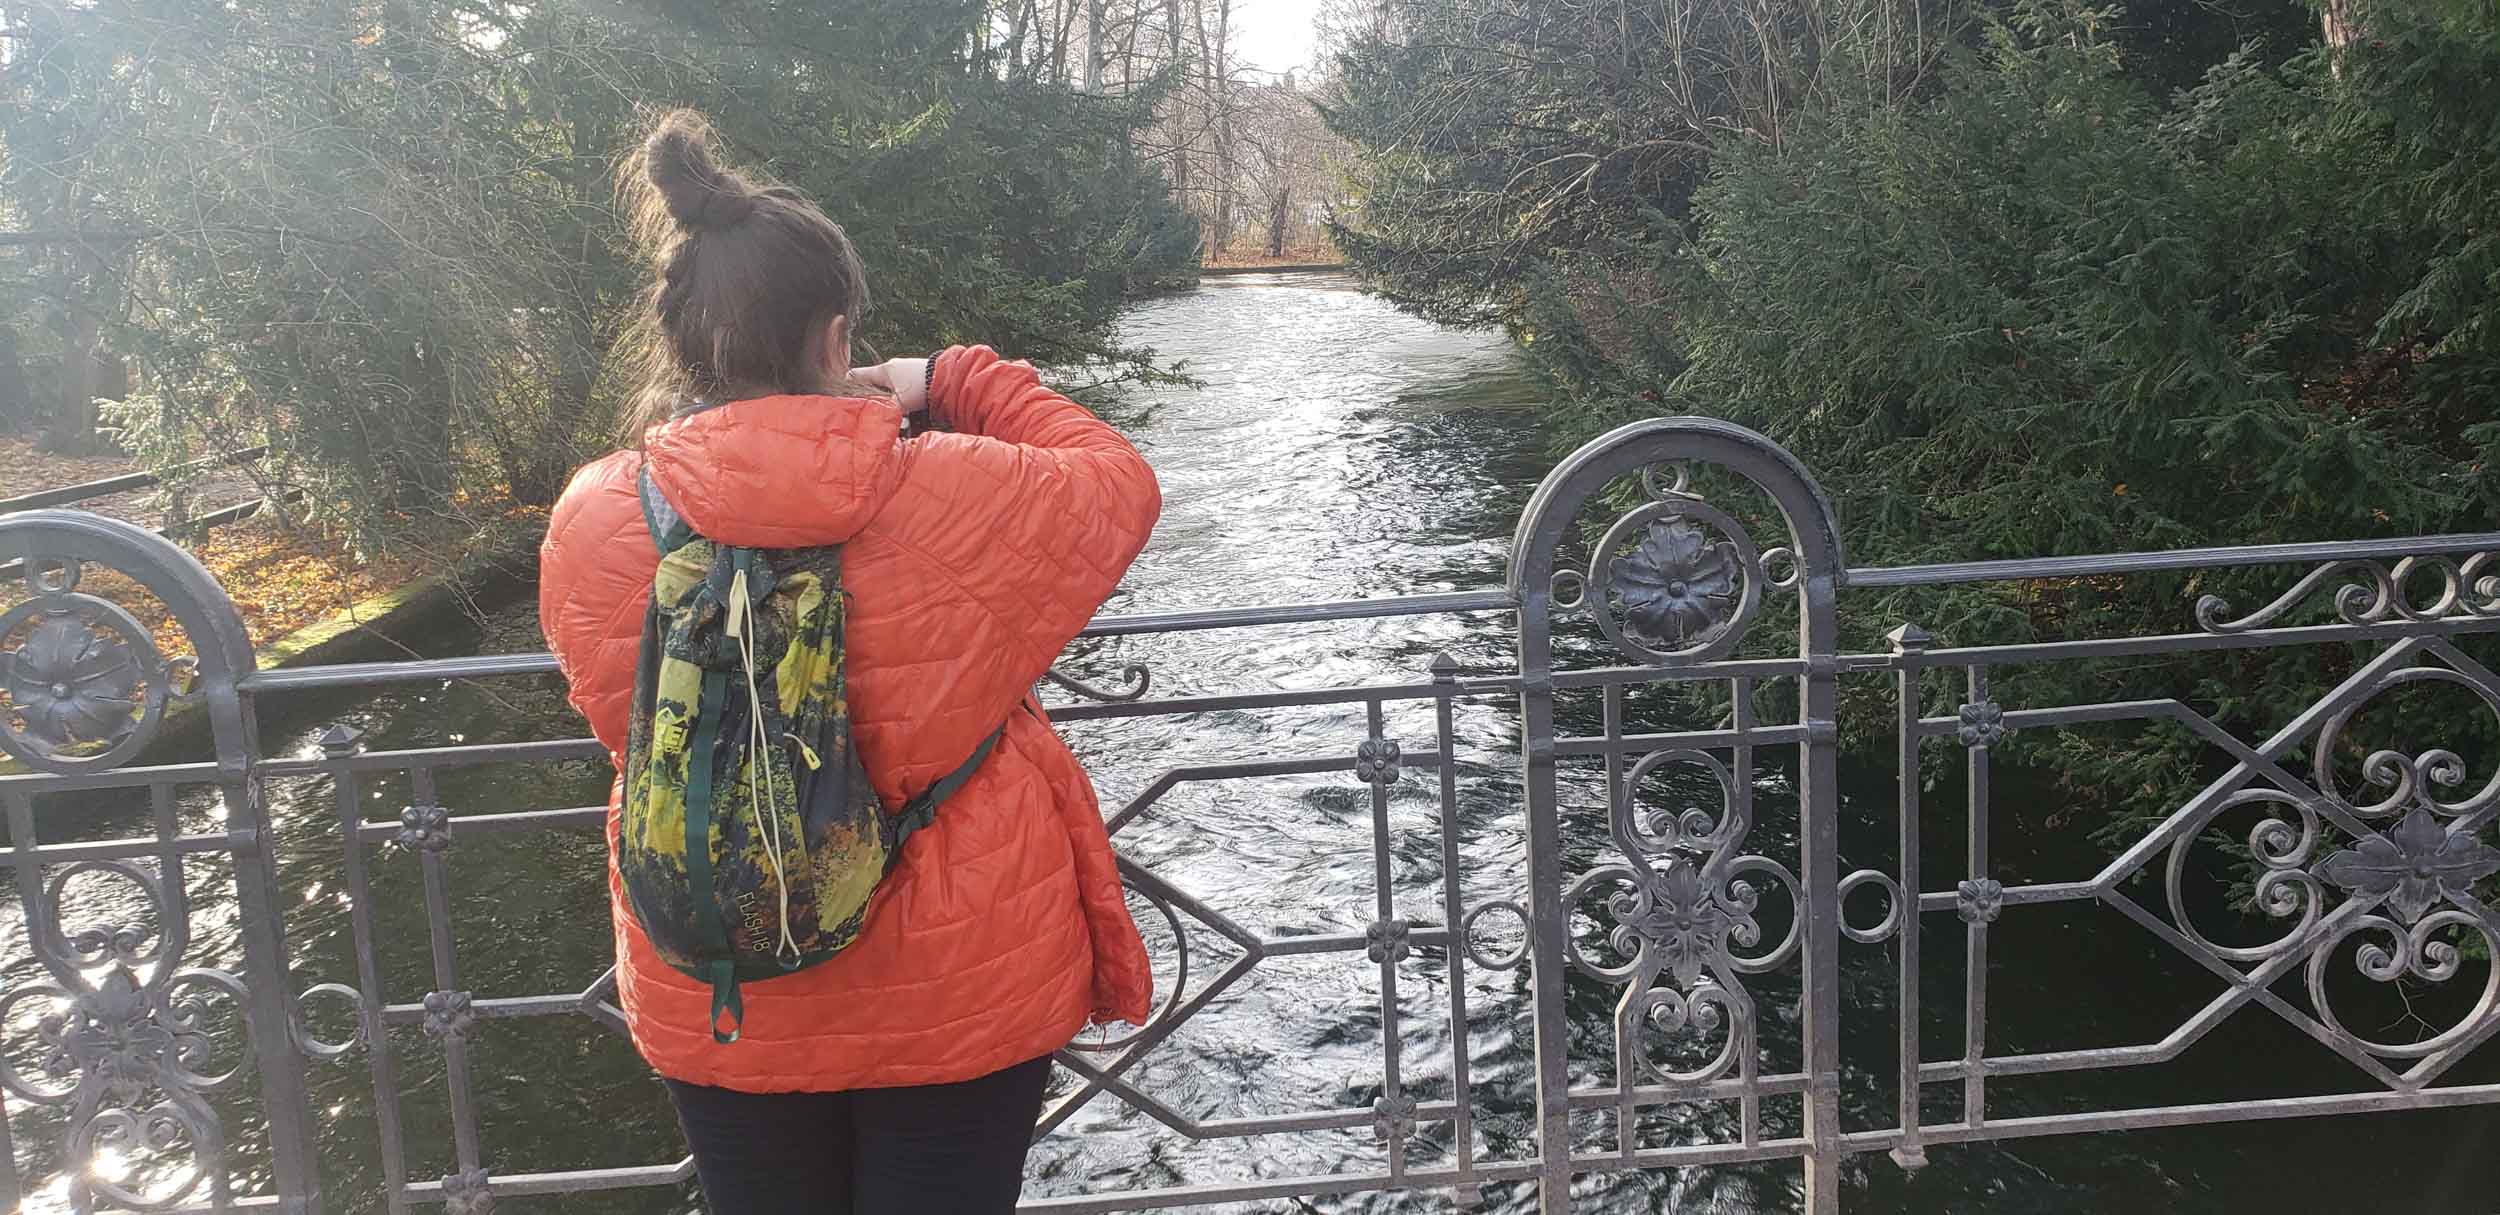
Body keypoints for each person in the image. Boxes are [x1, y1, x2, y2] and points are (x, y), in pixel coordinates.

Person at [536, 109, 1158, 1214]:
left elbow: (617, 717)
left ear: (680, 338)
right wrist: (948, 376)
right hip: (957, 979)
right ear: (836, 336)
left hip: (721, 974)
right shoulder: (962, 490)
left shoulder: (593, 516)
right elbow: (1114, 478)